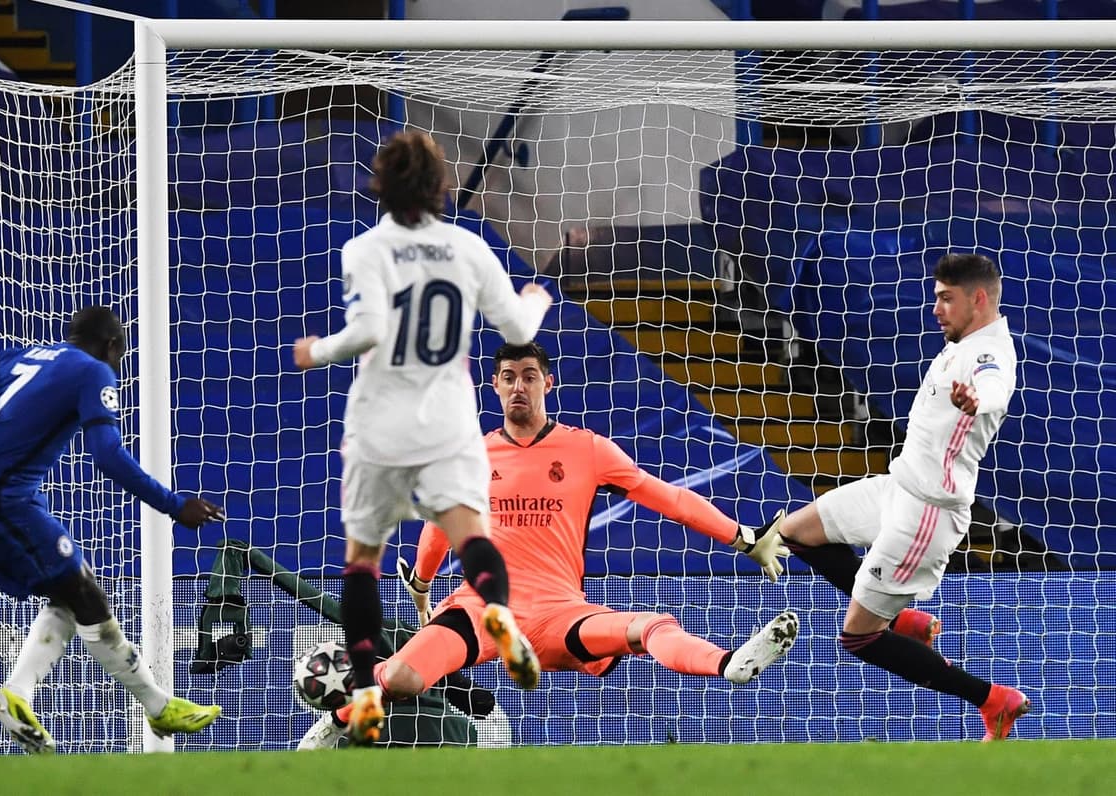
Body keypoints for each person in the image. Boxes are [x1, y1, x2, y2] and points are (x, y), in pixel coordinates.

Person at [298, 341, 798, 749]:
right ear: (494, 386)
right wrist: (424, 587)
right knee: (404, 677)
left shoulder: (588, 449)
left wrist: (742, 536)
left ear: (547, 383)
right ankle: (340, 715)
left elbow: (665, 496)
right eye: (509, 376)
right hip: (481, 610)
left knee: (650, 627)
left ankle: (728, 662)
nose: (519, 385)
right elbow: (439, 525)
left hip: (559, 612)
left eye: (529, 375)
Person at [0, 306, 226, 754]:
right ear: (113, 347)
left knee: (74, 591)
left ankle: (25, 695)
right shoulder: (93, 373)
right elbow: (107, 455)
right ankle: (153, 705)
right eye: (122, 353)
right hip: (3, 504)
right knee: (85, 595)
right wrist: (173, 505)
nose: (120, 364)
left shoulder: (21, 357)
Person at [292, 130, 553, 746]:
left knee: (365, 560)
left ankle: (362, 692)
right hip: (448, 424)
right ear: (441, 187)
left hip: (381, 426)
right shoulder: (466, 246)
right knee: (471, 538)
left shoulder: (365, 247)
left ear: (379, 184)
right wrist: (536, 300)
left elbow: (368, 330)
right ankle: (497, 612)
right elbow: (515, 325)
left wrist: (317, 351)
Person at [778, 253, 1028, 741]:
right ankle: (908, 618)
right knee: (796, 533)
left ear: (978, 299)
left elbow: (994, 386)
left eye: (945, 298)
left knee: (859, 637)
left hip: (927, 513)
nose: (935, 308)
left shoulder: (987, 353)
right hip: (897, 486)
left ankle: (994, 700)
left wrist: (979, 401)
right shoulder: (963, 341)